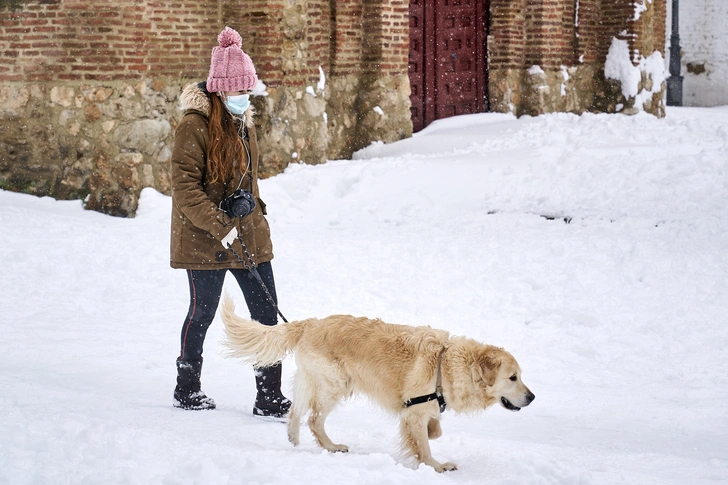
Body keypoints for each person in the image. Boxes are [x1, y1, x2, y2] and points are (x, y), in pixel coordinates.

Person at [168, 26, 290, 418]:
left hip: (248, 234)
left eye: (247, 92)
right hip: (204, 238)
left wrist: (256, 214)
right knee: (202, 313)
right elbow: (185, 189)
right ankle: (187, 387)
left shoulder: (244, 123)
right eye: (237, 93)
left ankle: (269, 397)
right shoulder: (194, 126)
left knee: (266, 315)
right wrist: (221, 224)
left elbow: (248, 179)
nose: (243, 99)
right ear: (219, 90)